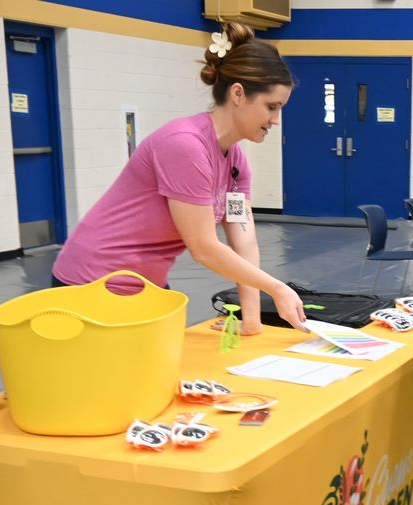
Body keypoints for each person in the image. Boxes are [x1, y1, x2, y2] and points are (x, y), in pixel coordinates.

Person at [51, 22, 307, 332]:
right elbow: (203, 247)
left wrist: (251, 320)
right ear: (238, 93)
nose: (276, 120)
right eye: (272, 107)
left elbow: (244, 240)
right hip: (92, 282)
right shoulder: (184, 144)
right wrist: (276, 288)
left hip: (147, 286)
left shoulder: (236, 162)